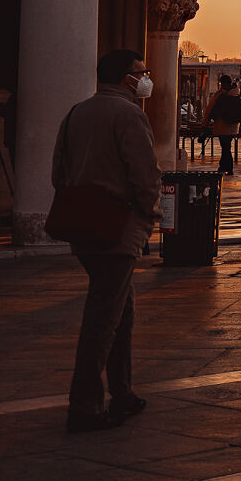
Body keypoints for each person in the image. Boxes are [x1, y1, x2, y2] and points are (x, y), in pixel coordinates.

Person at [52, 48, 160, 433]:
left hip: (85, 227)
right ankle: (84, 406)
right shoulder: (130, 114)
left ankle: (123, 392)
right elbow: (145, 174)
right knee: (102, 319)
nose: (145, 77)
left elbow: (57, 171)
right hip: (117, 227)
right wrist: (149, 215)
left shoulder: (76, 112)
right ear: (124, 78)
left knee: (120, 312)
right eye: (140, 72)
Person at [209, 72, 241, 174]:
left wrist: (205, 122)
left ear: (222, 83)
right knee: (227, 146)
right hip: (234, 125)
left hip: (222, 125)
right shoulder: (239, 94)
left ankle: (227, 167)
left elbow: (210, 108)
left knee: (225, 146)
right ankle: (224, 166)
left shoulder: (220, 94)